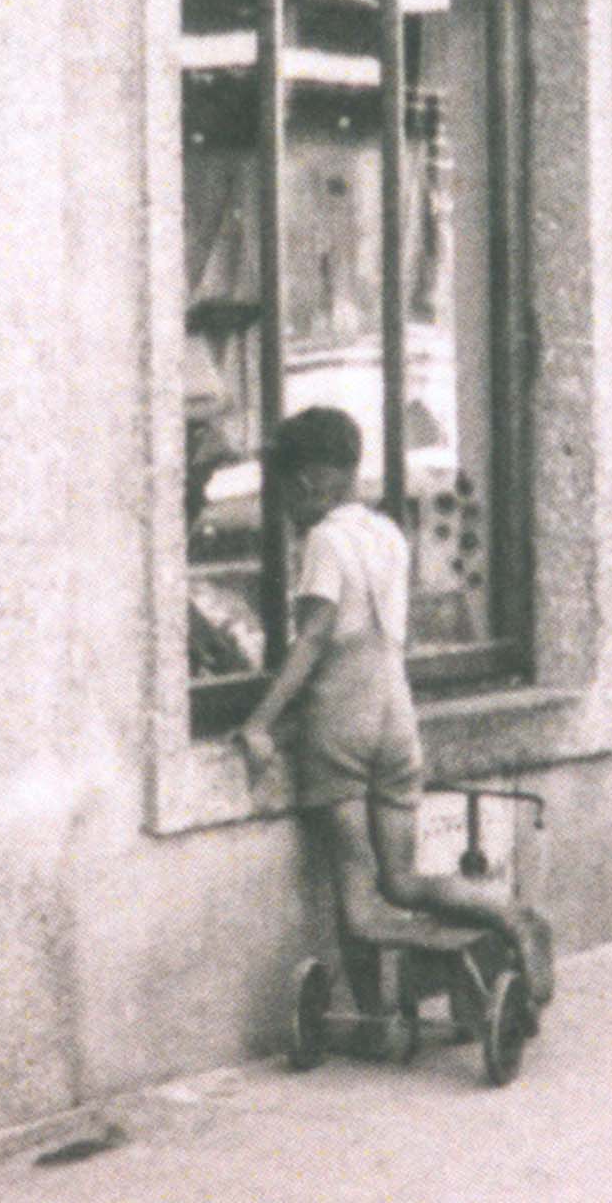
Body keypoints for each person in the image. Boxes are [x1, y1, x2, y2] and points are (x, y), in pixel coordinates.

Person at [235, 406, 555, 1005]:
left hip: (344, 726)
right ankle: (508, 915)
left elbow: (311, 641)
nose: (282, 511)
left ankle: (400, 1000)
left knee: (358, 912)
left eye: (283, 496)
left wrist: (259, 722)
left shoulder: (325, 541)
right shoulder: (387, 533)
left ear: (306, 485)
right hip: (397, 720)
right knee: (404, 881)